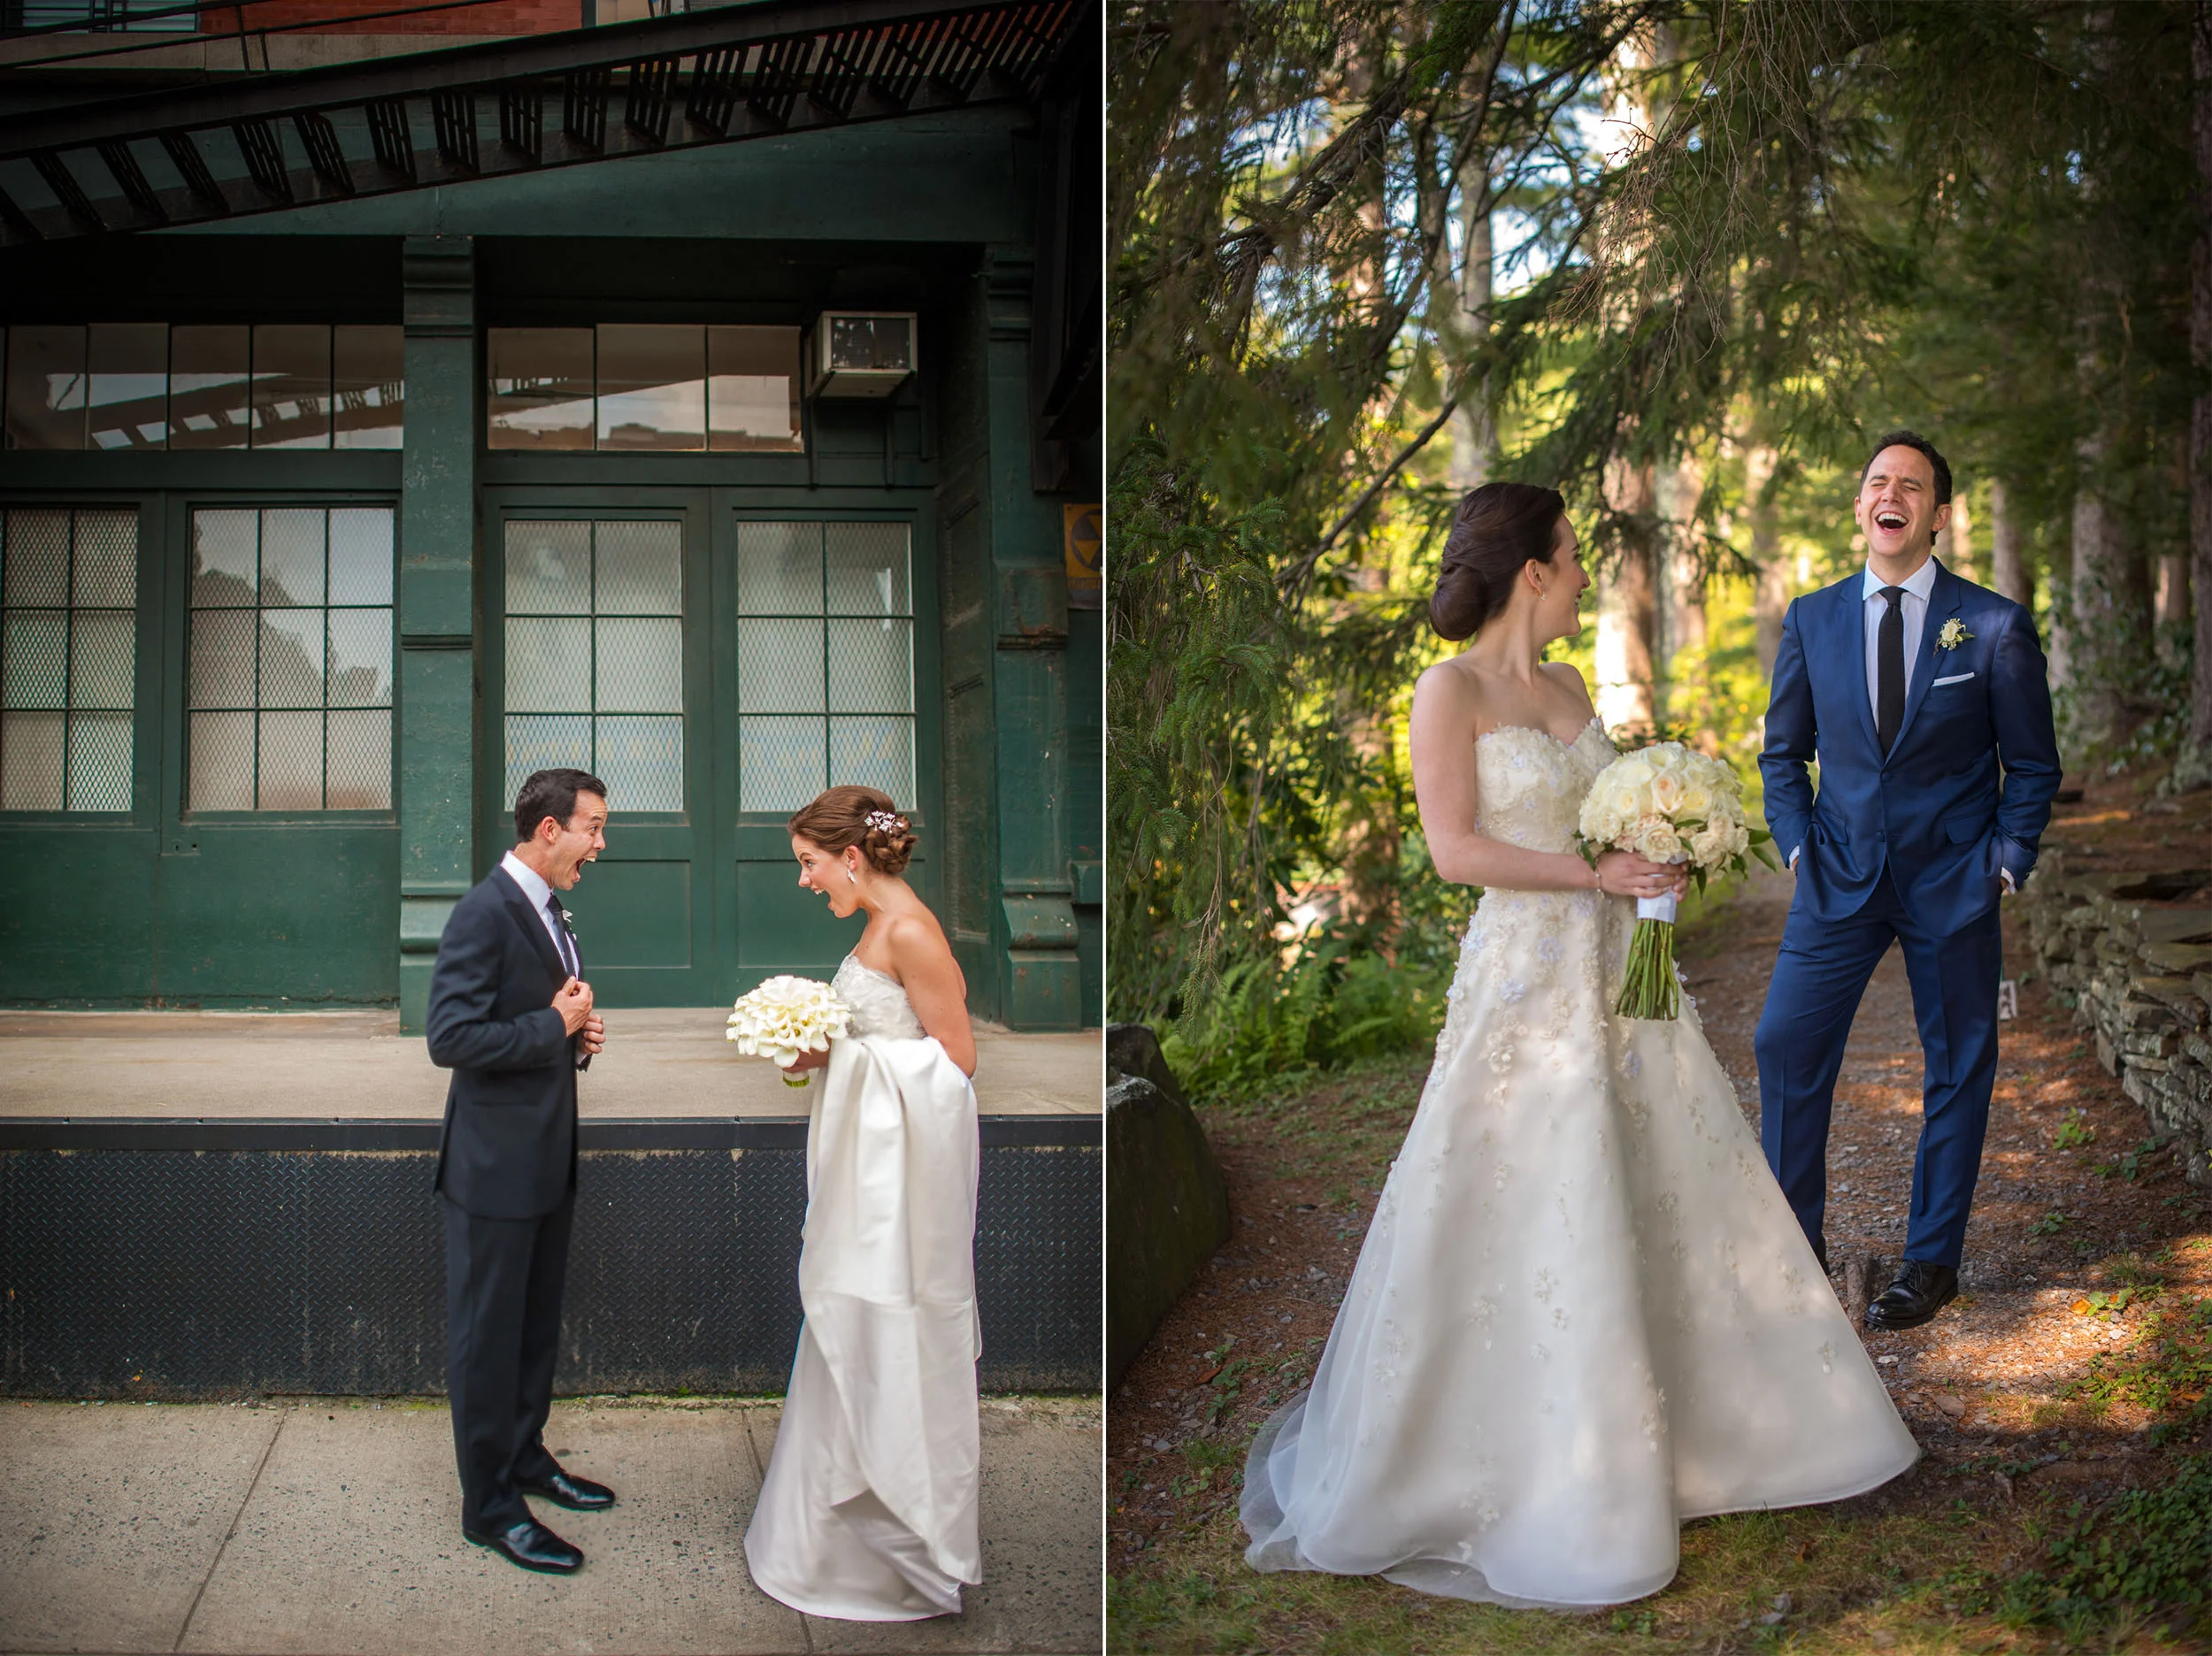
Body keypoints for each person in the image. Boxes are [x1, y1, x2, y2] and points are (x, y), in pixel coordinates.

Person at [1240, 482, 1918, 1608]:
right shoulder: (1444, 691)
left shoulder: (1566, 684)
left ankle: (1714, 1436)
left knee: (1667, 1178)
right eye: (1572, 557)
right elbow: (1456, 852)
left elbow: (1607, 811)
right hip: (1522, 983)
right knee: (1522, 1188)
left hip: (1622, 972)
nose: (1583, 577)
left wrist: (1662, 844)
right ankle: (1511, 1460)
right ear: (1534, 570)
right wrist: (1588, 875)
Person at [1757, 431, 2061, 1330]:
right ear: (1860, 506)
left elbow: (2032, 765)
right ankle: (1792, 1252)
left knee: (1960, 1064)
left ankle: (1931, 1263)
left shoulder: (1993, 626)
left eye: (1912, 486)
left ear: (1938, 513)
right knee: (1782, 1044)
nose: (1892, 495)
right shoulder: (1811, 618)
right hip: (1836, 878)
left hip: (1954, 883)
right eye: (1878, 482)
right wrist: (1798, 845)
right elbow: (1784, 753)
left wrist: (2006, 863)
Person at [744, 784, 984, 1621]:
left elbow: (956, 1063)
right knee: (842, 1317)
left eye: (809, 863)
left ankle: (891, 1548)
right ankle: (822, 1545)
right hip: (862, 1176)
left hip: (895, 1195)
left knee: (879, 1317)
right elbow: (882, 1041)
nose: (804, 881)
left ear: (852, 856)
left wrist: (846, 1059)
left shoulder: (911, 931)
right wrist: (816, 1053)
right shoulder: (876, 929)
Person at [426, 767, 613, 1576]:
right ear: (548, 830)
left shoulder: (547, 905)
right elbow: (450, 1039)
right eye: (593, 829)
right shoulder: (483, 911)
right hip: (493, 1173)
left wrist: (572, 1037)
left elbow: (532, 1016)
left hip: (545, 1160)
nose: (599, 847)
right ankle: (491, 1508)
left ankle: (528, 1459)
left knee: (533, 1331)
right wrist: (551, 1025)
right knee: (487, 1342)